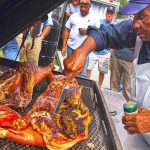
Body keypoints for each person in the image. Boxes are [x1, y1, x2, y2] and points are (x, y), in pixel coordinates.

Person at [63, 0, 150, 145]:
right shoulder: (136, 30)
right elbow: (107, 33)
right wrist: (82, 51)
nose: (135, 25)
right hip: (140, 135)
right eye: (133, 17)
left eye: (141, 17)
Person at [61, 0, 100, 78]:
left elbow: (98, 33)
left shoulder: (94, 19)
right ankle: (66, 88)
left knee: (82, 74)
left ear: (89, 7)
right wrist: (63, 46)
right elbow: (67, 30)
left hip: (84, 51)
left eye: (85, 6)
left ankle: (77, 89)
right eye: (81, 6)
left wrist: (87, 31)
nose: (83, 8)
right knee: (68, 70)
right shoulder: (73, 16)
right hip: (71, 48)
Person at [87, 6, 115, 86]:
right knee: (88, 68)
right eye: (108, 13)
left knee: (102, 72)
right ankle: (87, 84)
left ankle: (99, 87)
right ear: (105, 13)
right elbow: (93, 34)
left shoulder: (114, 25)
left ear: (113, 15)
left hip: (105, 53)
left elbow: (114, 39)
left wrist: (110, 52)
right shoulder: (99, 22)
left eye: (111, 14)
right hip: (94, 51)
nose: (109, 15)